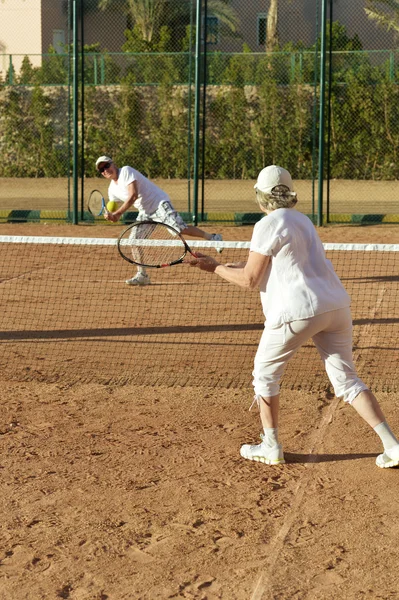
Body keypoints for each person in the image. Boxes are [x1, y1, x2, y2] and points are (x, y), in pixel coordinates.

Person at [187, 165, 399, 469]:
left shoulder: (266, 224)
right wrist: (227, 264)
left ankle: (271, 446)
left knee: (264, 375)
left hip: (297, 310)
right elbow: (279, 263)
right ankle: (392, 446)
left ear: (260, 197)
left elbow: (250, 280)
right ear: (289, 195)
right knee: (347, 380)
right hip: (335, 306)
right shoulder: (303, 221)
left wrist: (215, 268)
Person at [95, 156, 223, 286]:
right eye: (102, 170)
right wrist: (111, 216)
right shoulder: (112, 190)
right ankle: (142, 275)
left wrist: (117, 214)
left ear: (113, 164)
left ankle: (213, 237)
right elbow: (114, 208)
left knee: (181, 229)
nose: (105, 170)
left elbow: (133, 195)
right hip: (145, 212)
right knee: (134, 241)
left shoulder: (126, 171)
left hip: (159, 203)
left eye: (107, 166)